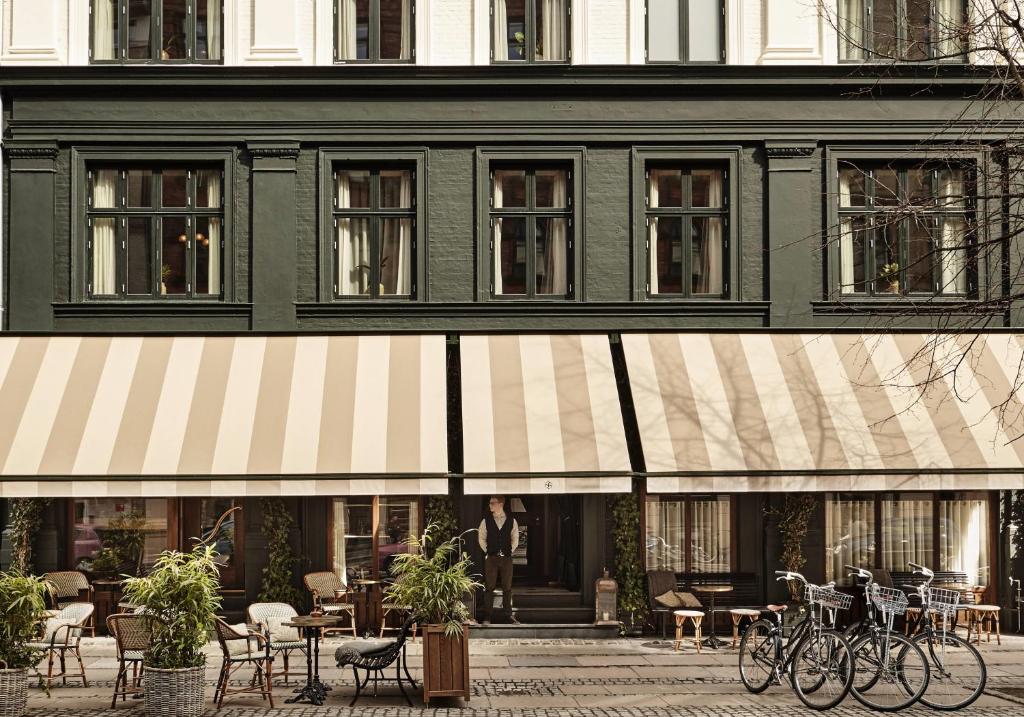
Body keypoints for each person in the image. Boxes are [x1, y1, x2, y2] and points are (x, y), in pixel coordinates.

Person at [477, 496, 519, 625]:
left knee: (507, 588)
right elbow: (481, 538)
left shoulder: (512, 521)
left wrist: (508, 552)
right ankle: (487, 617)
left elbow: (515, 538)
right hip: (491, 558)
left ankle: (509, 616)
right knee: (489, 587)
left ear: (500, 504)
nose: (490, 505)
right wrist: (488, 551)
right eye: (490, 503)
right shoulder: (486, 521)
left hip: (506, 558)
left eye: (492, 503)